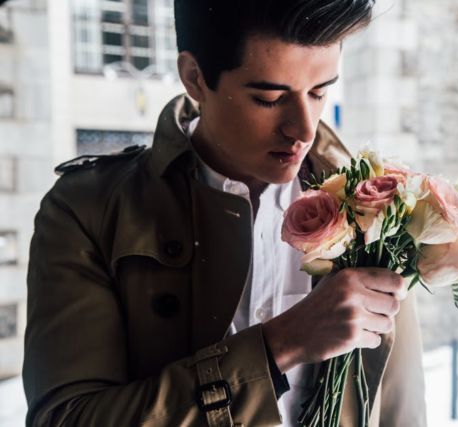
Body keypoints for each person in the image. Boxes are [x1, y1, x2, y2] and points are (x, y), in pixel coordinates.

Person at [23, 1, 427, 425]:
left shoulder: (379, 207)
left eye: (320, 91)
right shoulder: (90, 210)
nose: (304, 129)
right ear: (195, 78)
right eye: (269, 98)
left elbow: (401, 408)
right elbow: (64, 418)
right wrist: (278, 346)